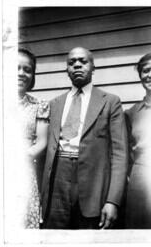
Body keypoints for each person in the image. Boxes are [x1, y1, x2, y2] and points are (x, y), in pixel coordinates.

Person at [41, 47, 128, 229]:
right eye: (71, 63)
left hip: (93, 185)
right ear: (67, 70)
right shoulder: (55, 104)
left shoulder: (110, 102)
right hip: (58, 179)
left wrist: (113, 201)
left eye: (83, 61)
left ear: (93, 67)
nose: (77, 65)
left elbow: (120, 154)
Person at [124, 52, 151, 229]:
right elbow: (125, 152)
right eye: (146, 70)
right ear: (140, 76)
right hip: (140, 178)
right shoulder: (131, 114)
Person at [17, 48, 50, 228]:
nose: (21, 73)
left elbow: (42, 142)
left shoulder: (39, 105)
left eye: (27, 69)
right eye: (16, 68)